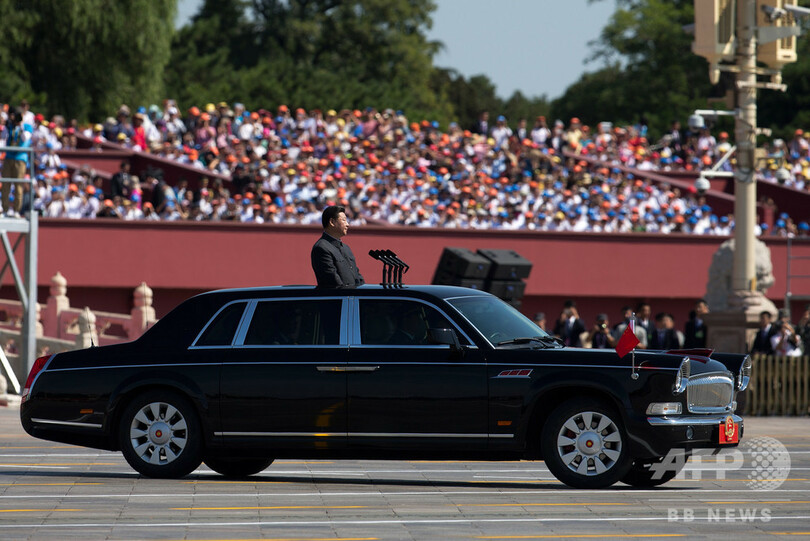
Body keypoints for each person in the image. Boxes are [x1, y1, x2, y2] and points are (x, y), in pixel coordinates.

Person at [311, 206, 365, 288]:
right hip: (338, 299)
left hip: (352, 299)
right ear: (332, 222)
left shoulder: (346, 248)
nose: (347, 224)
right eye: (343, 220)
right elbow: (333, 282)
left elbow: (358, 277)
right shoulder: (321, 248)